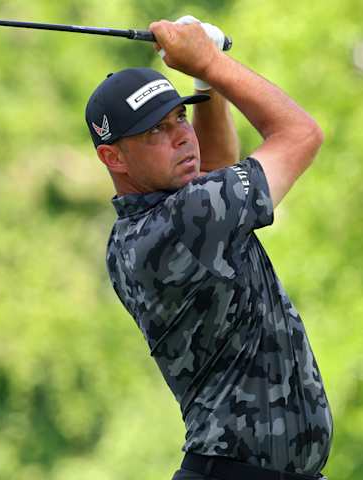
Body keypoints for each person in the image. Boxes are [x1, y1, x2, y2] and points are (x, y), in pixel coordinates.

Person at [84, 17, 333, 480]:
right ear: (113, 157)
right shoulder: (181, 222)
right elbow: (301, 134)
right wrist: (212, 62)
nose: (181, 135)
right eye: (154, 131)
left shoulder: (152, 224)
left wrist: (204, 84)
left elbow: (214, 170)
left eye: (181, 116)